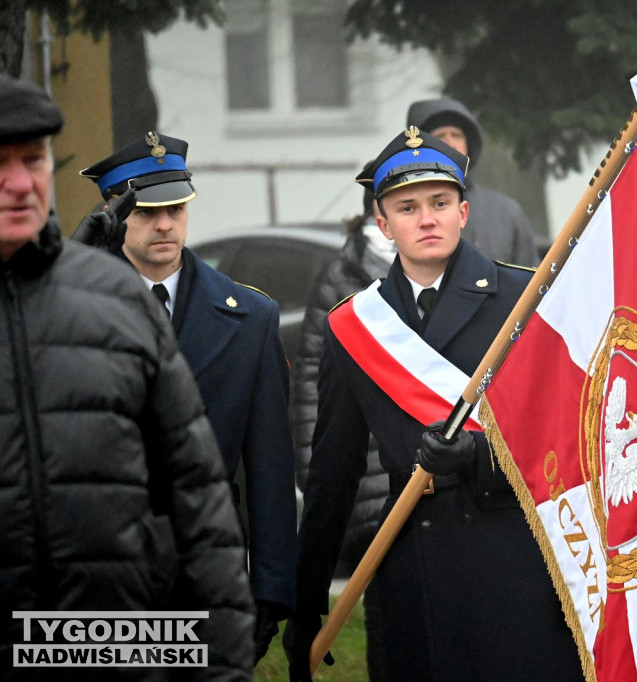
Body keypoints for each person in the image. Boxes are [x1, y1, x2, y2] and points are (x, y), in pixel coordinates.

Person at [284, 127, 582, 681]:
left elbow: (565, 437)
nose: (427, 219)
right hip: (412, 566)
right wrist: (307, 602)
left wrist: (478, 458)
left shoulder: (524, 300)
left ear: (464, 212)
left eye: (440, 203)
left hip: (515, 559)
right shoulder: (354, 325)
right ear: (382, 223)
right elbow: (333, 473)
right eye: (407, 207)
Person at [0, 74, 253, 678]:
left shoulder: (116, 298)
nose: (19, 184)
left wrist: (219, 664)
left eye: (33, 160)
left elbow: (200, 505)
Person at [76, 133, 297, 664]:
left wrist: (271, 586)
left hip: (204, 563)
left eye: (175, 208)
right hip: (98, 563)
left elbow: (268, 464)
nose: (166, 225)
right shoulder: (72, 308)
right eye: (147, 212)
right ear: (114, 212)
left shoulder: (250, 318)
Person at [288, 181, 392, 679]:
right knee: (391, 622)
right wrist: (316, 472)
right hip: (366, 480)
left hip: (434, 477)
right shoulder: (339, 278)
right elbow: (311, 379)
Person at [407, 97, 539, 266]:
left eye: (457, 135)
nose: (451, 143)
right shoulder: (403, 210)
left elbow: (532, 279)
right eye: (440, 136)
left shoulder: (506, 211)